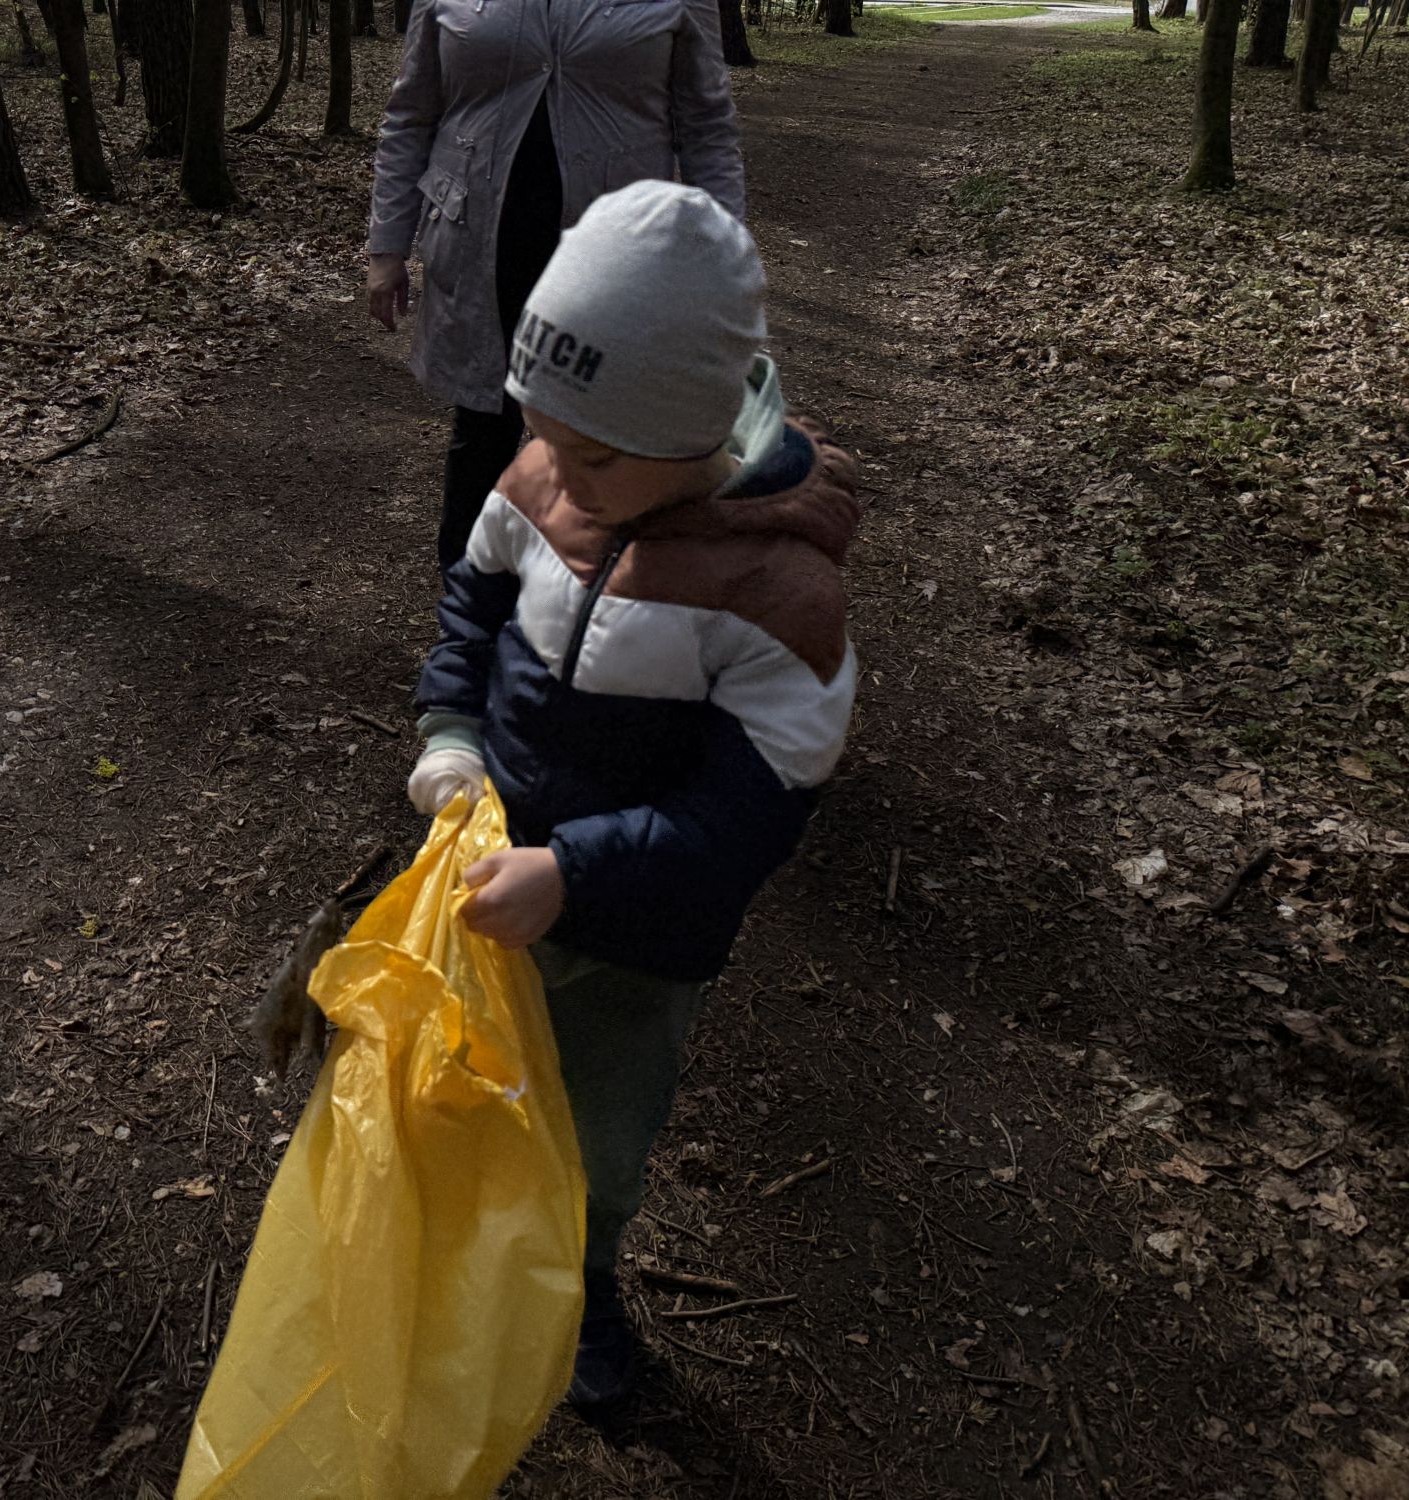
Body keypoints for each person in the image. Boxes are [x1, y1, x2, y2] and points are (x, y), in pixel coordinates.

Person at [404, 181, 860, 1410]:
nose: (558, 473)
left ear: (692, 427)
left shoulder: (778, 597)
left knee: (595, 1136)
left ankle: (578, 1286)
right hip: (493, 875)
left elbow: (751, 811)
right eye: (540, 435)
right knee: (467, 1082)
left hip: (634, 943)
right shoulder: (549, 474)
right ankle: (456, 1254)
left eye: (594, 454)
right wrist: (451, 734)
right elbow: (473, 603)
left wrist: (577, 872)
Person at [366, 0, 747, 571]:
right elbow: (411, 115)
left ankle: (598, 601)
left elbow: (707, 129)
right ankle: (471, 599)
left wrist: (720, 259)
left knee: (605, 432)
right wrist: (386, 245)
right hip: (482, 245)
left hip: (615, 256)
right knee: (484, 428)